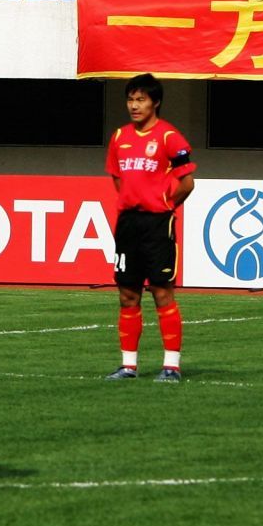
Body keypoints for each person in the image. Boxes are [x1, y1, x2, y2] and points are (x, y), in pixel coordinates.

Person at [103, 73, 197, 382]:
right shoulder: (119, 137)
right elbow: (118, 178)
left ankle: (172, 366)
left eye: (141, 99)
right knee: (127, 293)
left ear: (155, 102)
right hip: (128, 222)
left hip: (158, 222)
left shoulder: (170, 137)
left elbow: (187, 182)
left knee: (161, 291)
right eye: (130, 99)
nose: (134, 105)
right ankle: (128, 366)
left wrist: (166, 205)